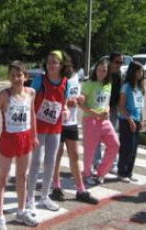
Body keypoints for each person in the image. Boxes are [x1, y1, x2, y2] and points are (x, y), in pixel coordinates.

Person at [0, 61, 39, 230]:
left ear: (26, 76)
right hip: (9, 138)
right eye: (12, 75)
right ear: (9, 77)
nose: (16, 79)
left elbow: (32, 114)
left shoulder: (31, 92)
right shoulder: (4, 95)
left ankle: (21, 210)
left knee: (23, 176)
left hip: (25, 138)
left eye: (19, 75)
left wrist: (34, 135)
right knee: (2, 177)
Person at [50, 45, 98, 205]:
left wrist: (79, 99)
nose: (79, 60)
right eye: (77, 57)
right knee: (57, 156)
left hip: (71, 121)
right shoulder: (59, 75)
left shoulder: (77, 74)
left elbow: (75, 95)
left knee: (75, 155)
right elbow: (52, 97)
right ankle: (56, 187)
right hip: (58, 122)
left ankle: (80, 190)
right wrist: (70, 101)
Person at [26, 50, 72, 213]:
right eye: (49, 61)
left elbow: (64, 103)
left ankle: (44, 196)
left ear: (61, 65)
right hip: (38, 126)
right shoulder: (40, 80)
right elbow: (28, 101)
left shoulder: (66, 82)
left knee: (50, 162)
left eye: (55, 62)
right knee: (36, 162)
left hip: (55, 127)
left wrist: (66, 110)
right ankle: (30, 198)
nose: (51, 65)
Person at [80, 58, 120, 185]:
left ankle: (101, 172)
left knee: (115, 144)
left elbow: (106, 103)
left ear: (107, 72)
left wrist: (107, 110)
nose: (101, 73)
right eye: (99, 70)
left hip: (104, 120)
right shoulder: (89, 83)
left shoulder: (108, 84)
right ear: (95, 70)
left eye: (104, 70)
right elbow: (82, 105)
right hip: (90, 119)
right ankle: (86, 174)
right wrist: (95, 113)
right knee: (90, 150)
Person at [92, 52, 123, 175]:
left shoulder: (119, 75)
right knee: (97, 138)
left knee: (113, 138)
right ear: (110, 62)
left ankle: (112, 164)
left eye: (121, 63)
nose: (119, 65)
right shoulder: (103, 73)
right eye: (117, 62)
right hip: (98, 110)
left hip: (112, 110)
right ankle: (97, 164)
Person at [118, 61, 145, 183]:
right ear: (133, 72)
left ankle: (129, 172)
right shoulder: (126, 87)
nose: (142, 73)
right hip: (126, 120)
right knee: (127, 148)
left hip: (137, 120)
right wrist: (130, 120)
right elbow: (121, 106)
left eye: (142, 71)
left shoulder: (139, 87)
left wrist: (142, 119)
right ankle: (121, 172)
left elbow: (140, 105)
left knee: (134, 149)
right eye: (140, 71)